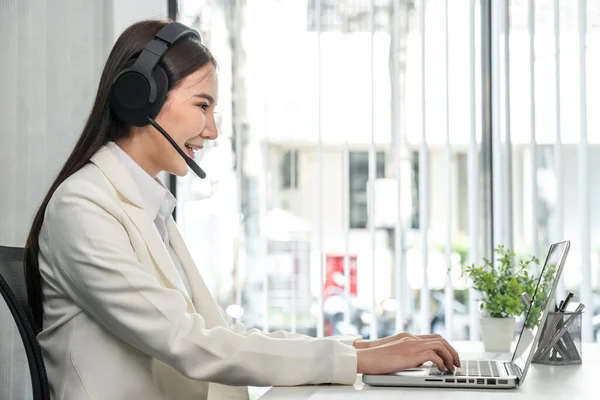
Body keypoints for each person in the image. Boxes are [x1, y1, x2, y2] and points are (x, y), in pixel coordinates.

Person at [24, 19, 460, 400]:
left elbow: (221, 334)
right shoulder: (83, 208)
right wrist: (353, 361)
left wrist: (362, 349)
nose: (211, 130)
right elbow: (190, 343)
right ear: (141, 97)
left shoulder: (145, 207)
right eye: (202, 105)